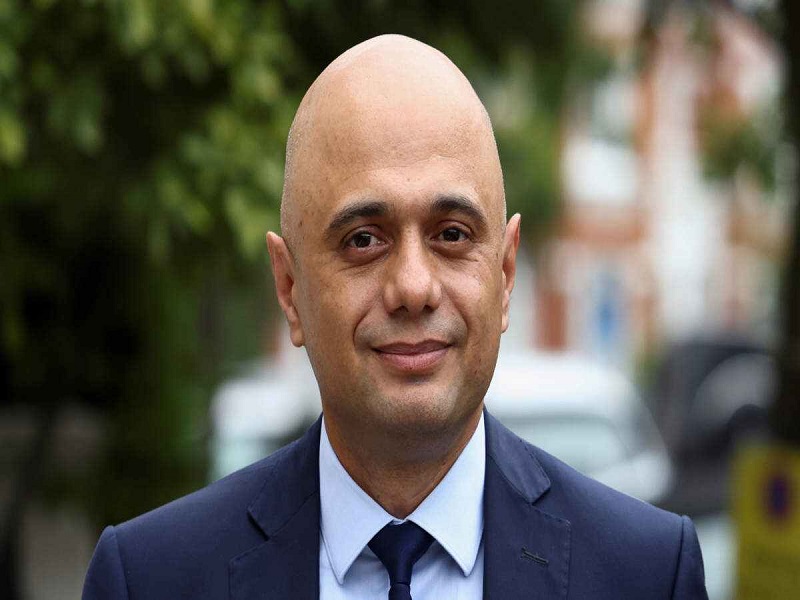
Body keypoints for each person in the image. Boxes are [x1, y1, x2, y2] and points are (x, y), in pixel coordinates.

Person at [83, 35, 708, 599]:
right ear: (289, 287)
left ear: (506, 274)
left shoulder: (647, 574)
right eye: (363, 239)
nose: (413, 287)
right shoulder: (149, 578)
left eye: (452, 234)